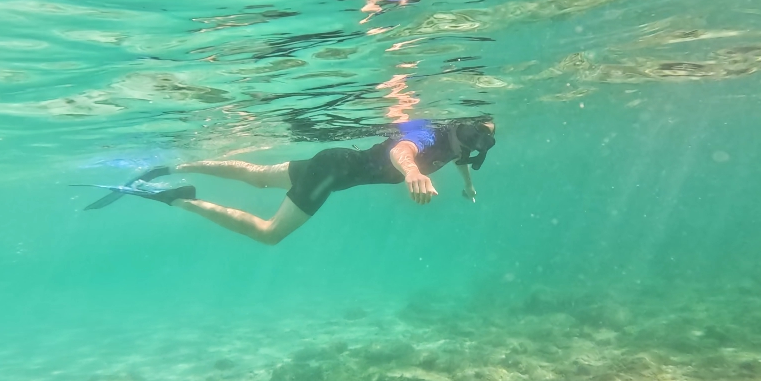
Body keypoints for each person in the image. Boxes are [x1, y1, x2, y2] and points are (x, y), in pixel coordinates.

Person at [77, 118, 495, 245]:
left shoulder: (460, 147)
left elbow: (457, 158)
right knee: (269, 233)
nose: (470, 147)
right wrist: (413, 171)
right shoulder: (430, 134)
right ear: (457, 128)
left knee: (257, 177)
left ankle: (171, 168)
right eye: (472, 134)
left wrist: (468, 184)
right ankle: (175, 199)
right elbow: (400, 150)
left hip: (336, 165)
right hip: (334, 172)